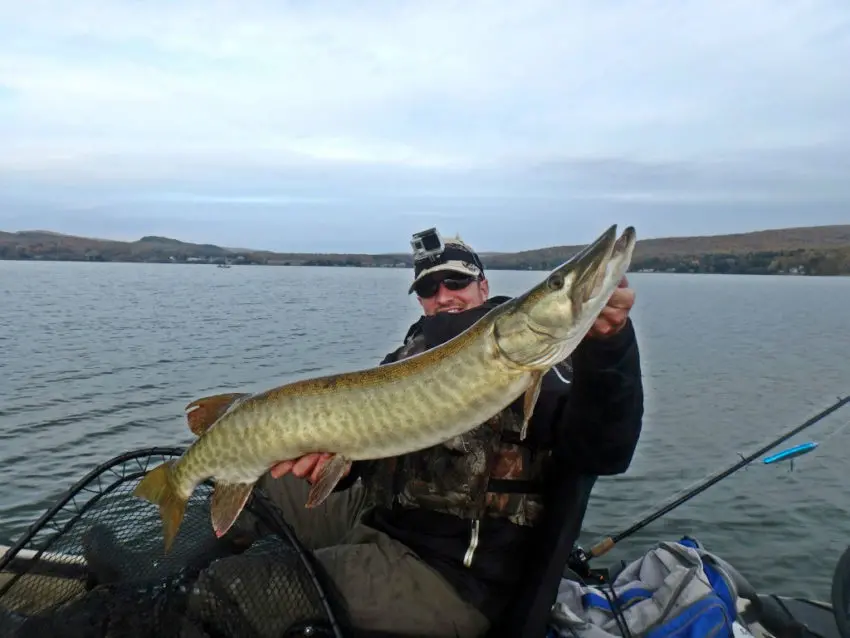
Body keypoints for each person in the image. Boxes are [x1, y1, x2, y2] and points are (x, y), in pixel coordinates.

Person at [232, 231, 644, 637]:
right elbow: (369, 450)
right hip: (382, 518)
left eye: (457, 281)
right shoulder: (407, 356)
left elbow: (604, 450)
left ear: (484, 286)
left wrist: (610, 347)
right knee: (250, 488)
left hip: (448, 574)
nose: (444, 294)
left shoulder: (541, 361)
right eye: (429, 287)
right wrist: (340, 468)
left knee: (235, 589)